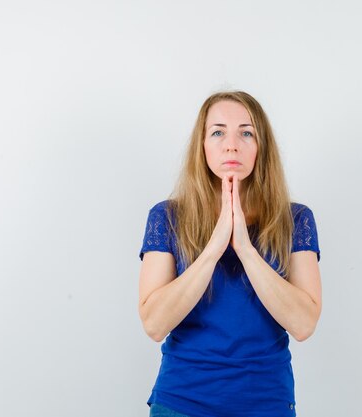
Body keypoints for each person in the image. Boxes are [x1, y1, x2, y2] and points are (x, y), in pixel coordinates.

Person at [138, 91, 322, 417]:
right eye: (218, 132)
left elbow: (304, 323)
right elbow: (154, 324)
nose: (231, 144)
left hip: (267, 403)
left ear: (261, 148)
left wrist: (245, 250)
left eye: (246, 133)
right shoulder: (167, 217)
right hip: (182, 402)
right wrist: (214, 247)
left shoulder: (296, 219)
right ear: (203, 146)